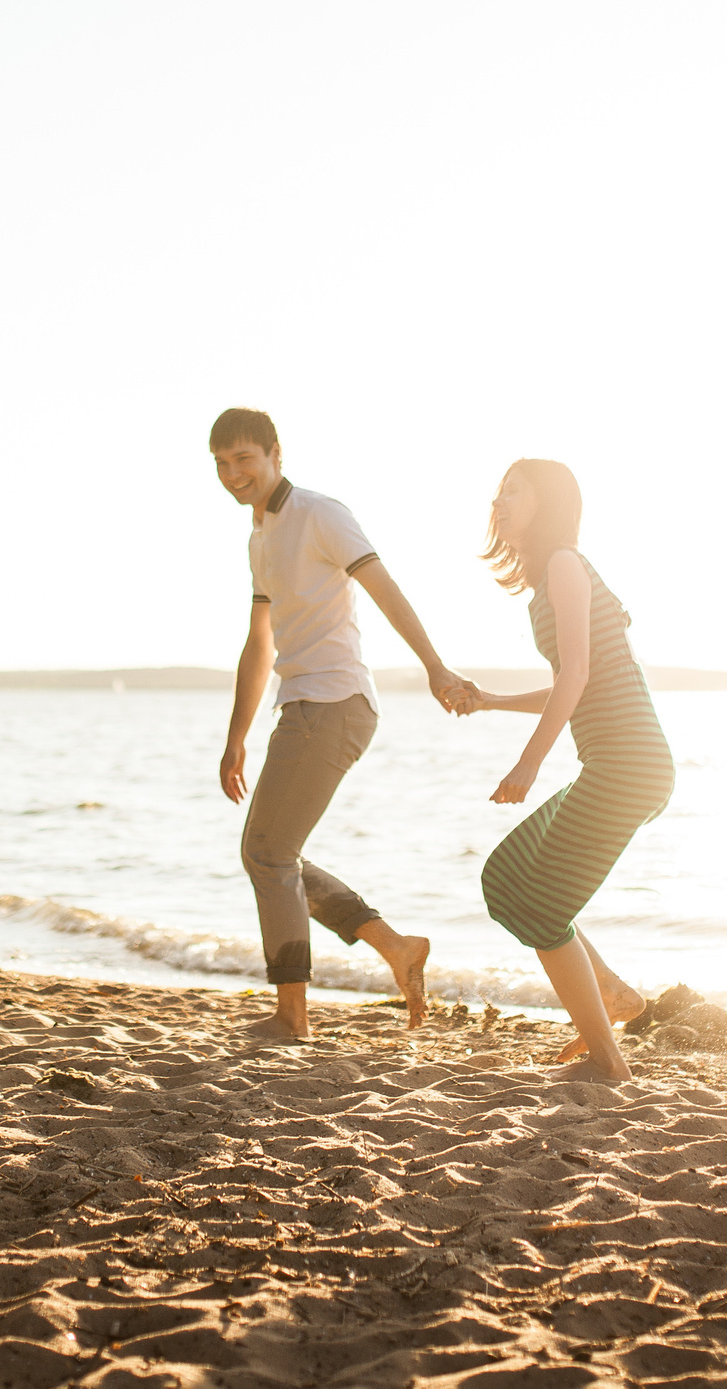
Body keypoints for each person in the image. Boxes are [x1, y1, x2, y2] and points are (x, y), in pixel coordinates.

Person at [211, 407, 465, 1040]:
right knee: (271, 854)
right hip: (301, 703)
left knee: (268, 855)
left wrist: (435, 667)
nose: (233, 473)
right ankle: (396, 947)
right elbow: (259, 643)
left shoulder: (320, 513)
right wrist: (235, 735)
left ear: (275, 454)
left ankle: (291, 1018)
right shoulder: (260, 535)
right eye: (221, 463)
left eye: (244, 459)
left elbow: (384, 589)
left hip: (336, 702)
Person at [452, 459, 674, 1083]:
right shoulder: (546, 583)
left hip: (631, 763)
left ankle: (608, 1064)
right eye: (496, 492)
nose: (499, 502)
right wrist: (492, 700)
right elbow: (568, 682)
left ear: (546, 502)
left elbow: (575, 678)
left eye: (513, 491)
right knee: (509, 878)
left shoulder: (564, 565)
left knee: (543, 909)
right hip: (617, 762)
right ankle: (611, 995)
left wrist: (528, 764)